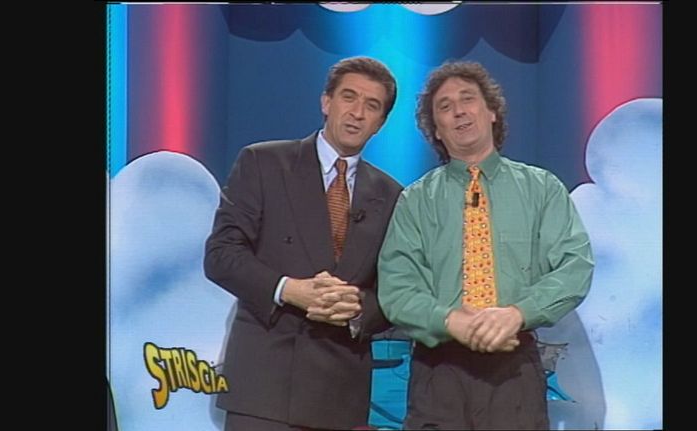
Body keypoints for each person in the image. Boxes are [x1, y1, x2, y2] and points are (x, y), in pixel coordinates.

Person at [377, 61, 594, 430]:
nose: (459, 111)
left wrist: (516, 313)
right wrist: (452, 322)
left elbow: (575, 267)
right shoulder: (415, 201)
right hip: (438, 370)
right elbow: (397, 289)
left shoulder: (542, 189)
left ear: (492, 111)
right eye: (445, 107)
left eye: (468, 99)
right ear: (436, 130)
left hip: (515, 368)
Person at [205, 56, 403, 431]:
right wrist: (289, 290)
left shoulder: (392, 194)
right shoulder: (263, 163)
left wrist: (357, 308)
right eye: (349, 97)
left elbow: (395, 290)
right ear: (326, 102)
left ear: (380, 122)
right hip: (265, 386)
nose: (357, 113)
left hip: (340, 392)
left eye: (372, 105)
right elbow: (221, 255)